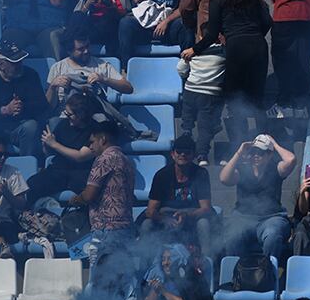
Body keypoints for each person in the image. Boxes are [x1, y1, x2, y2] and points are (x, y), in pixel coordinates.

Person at [196, 0, 272, 138]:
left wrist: (195, 49)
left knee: (234, 98)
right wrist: (255, 34)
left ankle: (239, 142)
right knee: (257, 97)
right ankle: (263, 142)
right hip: (258, 46)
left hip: (236, 47)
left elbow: (212, 33)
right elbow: (267, 21)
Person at [219, 134, 296, 262]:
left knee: (272, 235)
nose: (255, 155)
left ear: (269, 155)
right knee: (232, 236)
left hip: (272, 217)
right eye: (253, 152)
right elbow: (224, 178)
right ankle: (236, 275)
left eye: (260, 152)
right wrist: (239, 152)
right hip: (243, 217)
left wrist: (274, 144)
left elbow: (291, 160)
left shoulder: (276, 169)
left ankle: (267, 273)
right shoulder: (242, 170)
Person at [67, 121, 135, 249]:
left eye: (92, 142)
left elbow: (89, 195)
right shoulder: (127, 161)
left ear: (102, 140)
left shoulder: (103, 159)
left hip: (105, 228)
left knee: (102, 268)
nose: (90, 147)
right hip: (126, 226)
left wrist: (75, 200)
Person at [142, 135, 213, 250]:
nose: (182, 155)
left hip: (192, 215)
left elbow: (205, 208)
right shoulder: (162, 175)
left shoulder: (201, 174)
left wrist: (187, 216)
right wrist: (166, 220)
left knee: (204, 223)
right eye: (179, 152)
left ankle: (207, 263)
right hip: (166, 215)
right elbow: (150, 211)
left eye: (187, 152)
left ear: (193, 155)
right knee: (147, 225)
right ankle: (144, 265)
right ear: (172, 154)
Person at [26, 91, 97, 199]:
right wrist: (46, 144)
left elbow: (80, 156)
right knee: (32, 183)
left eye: (70, 114)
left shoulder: (95, 130)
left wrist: (54, 144)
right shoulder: (63, 124)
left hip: (81, 173)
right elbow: (50, 152)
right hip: (59, 170)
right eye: (66, 113)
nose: (66, 116)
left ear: (81, 114)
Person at [47, 22, 133, 109]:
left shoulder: (102, 65)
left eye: (87, 46)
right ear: (69, 51)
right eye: (80, 49)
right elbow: (48, 106)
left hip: (94, 114)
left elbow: (128, 88)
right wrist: (52, 87)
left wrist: (104, 79)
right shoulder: (58, 68)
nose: (86, 51)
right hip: (66, 116)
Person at [0, 41, 47, 158]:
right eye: (14, 63)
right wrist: (4, 110)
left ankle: (28, 165)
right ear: (1, 64)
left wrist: (23, 107)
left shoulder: (30, 75)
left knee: (31, 126)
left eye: (20, 61)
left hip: (21, 127)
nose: (20, 65)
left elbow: (42, 104)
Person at [177, 25, 225, 164]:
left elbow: (180, 69)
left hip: (190, 91)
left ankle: (186, 138)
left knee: (187, 120)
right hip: (209, 95)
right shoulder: (222, 53)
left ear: (200, 37)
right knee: (204, 126)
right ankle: (201, 155)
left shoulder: (192, 52)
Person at [139, 243, 211, 300]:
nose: (165, 263)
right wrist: (155, 289)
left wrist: (164, 292)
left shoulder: (190, 280)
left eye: (169, 259)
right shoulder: (161, 281)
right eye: (163, 259)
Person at [0, 136, 26, 258]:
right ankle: (3, 245)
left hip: (5, 224)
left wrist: (7, 194)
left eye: (5, 155)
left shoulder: (13, 173)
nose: (3, 158)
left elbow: (23, 205)